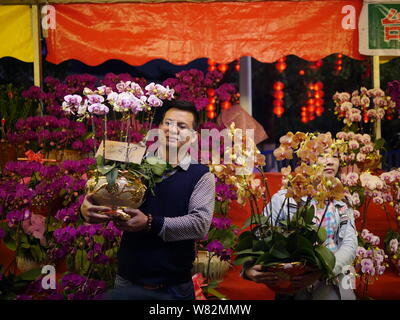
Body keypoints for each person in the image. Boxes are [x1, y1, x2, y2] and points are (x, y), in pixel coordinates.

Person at [80, 100, 215, 300]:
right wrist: (87, 209)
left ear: (194, 137)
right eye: (167, 123)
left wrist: (150, 223)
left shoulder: (201, 175)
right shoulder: (132, 161)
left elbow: (199, 224)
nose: (172, 129)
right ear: (159, 128)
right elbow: (105, 195)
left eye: (182, 126)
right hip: (128, 280)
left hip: (175, 287)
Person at [244, 152, 358, 300]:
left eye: (335, 156)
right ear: (305, 160)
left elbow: (350, 244)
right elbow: (262, 239)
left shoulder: (342, 202)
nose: (330, 162)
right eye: (322, 155)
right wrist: (248, 268)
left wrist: (323, 270)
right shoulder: (284, 198)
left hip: (335, 280)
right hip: (293, 283)